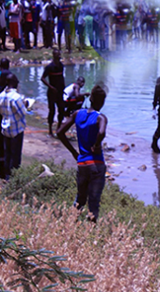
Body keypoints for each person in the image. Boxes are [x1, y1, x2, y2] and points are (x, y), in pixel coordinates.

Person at [57, 84, 108, 223]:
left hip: (82, 163)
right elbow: (102, 132)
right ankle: (90, 232)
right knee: (94, 202)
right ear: (102, 102)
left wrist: (74, 152)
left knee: (80, 199)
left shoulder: (77, 114)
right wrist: (97, 145)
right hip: (96, 164)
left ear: (90, 98)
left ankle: (70, 225)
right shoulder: (100, 117)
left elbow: (60, 132)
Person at [0, 73, 27, 180]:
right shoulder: (16, 97)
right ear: (15, 84)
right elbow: (23, 112)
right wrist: (26, 105)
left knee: (8, 153)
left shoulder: (1, 95)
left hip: (6, 127)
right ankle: (14, 178)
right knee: (16, 156)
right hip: (16, 128)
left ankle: (7, 175)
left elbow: (1, 111)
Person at [40, 48, 65, 137]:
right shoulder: (50, 67)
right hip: (52, 92)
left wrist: (63, 88)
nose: (59, 56)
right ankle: (50, 130)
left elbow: (62, 77)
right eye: (57, 55)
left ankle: (58, 128)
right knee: (52, 111)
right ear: (54, 56)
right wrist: (51, 87)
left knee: (61, 110)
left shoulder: (61, 66)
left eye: (59, 54)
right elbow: (42, 78)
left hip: (60, 92)